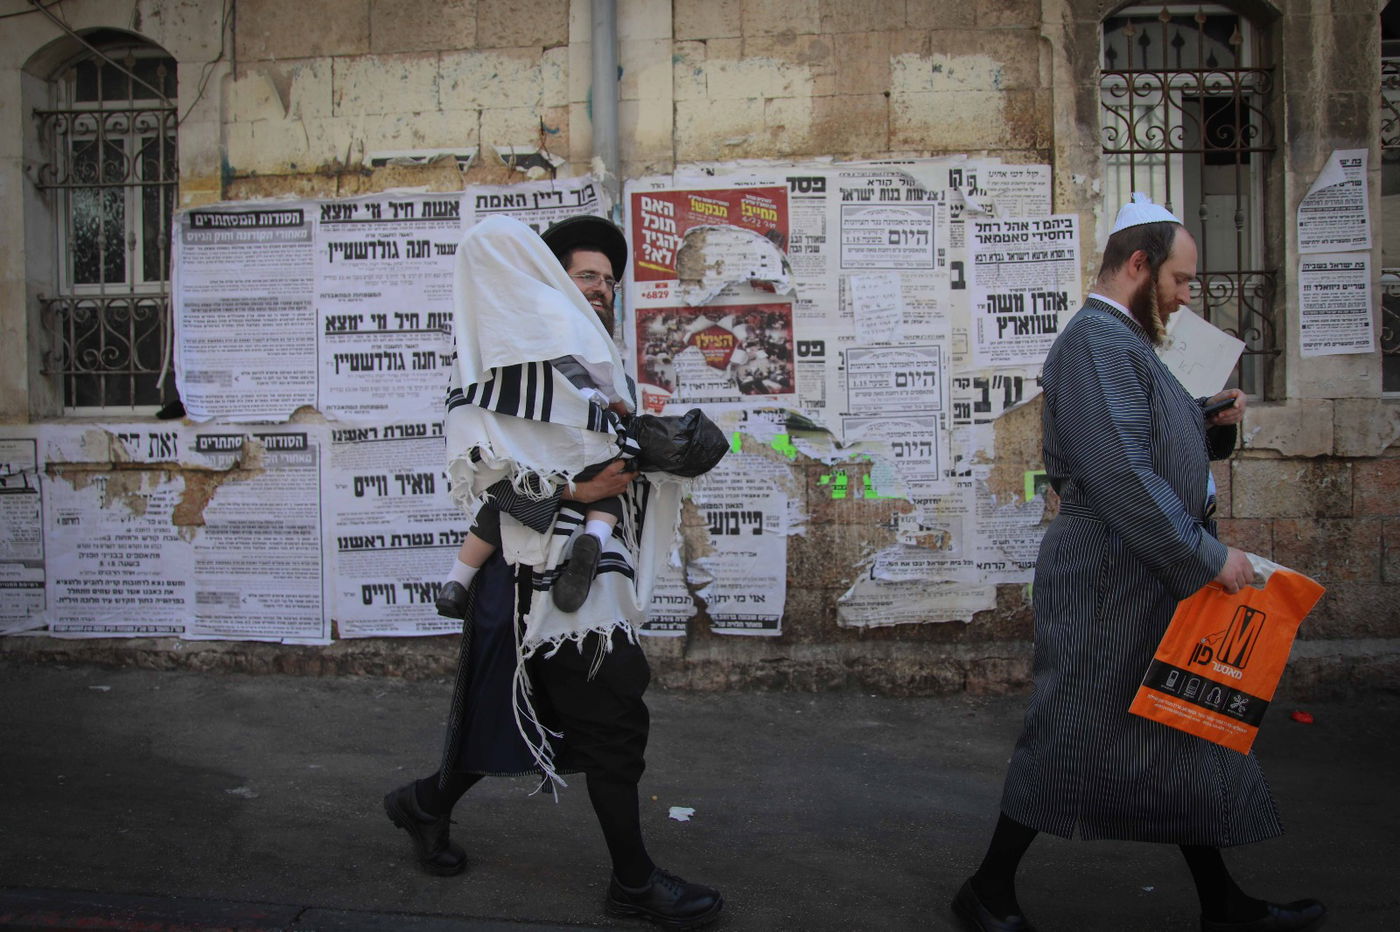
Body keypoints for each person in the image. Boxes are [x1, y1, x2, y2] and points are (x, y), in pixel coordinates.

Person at [952, 194, 1324, 932]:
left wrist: (1206, 424)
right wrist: (1206, 556)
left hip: (1141, 571)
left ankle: (1223, 905)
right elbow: (1121, 470)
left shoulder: (1124, 343)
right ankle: (987, 890)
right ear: (1138, 265)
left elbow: (1152, 446)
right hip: (1107, 576)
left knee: (1180, 725)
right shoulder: (1096, 341)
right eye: (1181, 281)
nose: (1187, 298)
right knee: (1073, 725)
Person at [383, 214, 723, 929]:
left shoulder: (591, 367)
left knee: (526, 710)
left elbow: (614, 454)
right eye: (587, 275)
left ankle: (425, 803)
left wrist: (668, 449)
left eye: (609, 281)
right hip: (531, 582)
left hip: (590, 570)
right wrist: (578, 493)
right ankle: (633, 883)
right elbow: (483, 484)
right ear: (548, 277)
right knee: (612, 715)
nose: (602, 289)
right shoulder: (493, 366)